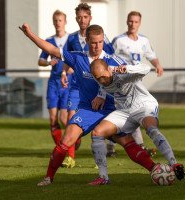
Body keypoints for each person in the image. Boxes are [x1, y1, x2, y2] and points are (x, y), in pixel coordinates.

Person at [20, 23, 154, 186]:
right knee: (66, 140)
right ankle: (49, 177)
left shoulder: (114, 61)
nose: (97, 46)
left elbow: (130, 79)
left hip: (111, 111)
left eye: (100, 42)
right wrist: (30, 34)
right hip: (87, 111)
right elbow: (51, 50)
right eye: (93, 42)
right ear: (86, 40)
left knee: (126, 142)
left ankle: (155, 169)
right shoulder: (78, 58)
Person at [89, 59, 185, 184]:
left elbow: (145, 68)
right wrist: (100, 96)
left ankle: (174, 163)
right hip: (124, 111)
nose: (102, 80)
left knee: (151, 129)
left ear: (109, 69)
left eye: (103, 76)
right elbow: (102, 86)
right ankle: (103, 178)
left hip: (143, 105)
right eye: (97, 78)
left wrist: (126, 68)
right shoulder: (101, 79)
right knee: (97, 133)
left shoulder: (121, 72)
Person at [61, 3, 115, 168]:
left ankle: (99, 157)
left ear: (90, 18)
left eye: (85, 17)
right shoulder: (71, 38)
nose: (82, 20)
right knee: (67, 119)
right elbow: (67, 58)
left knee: (99, 123)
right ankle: (70, 155)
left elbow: (109, 59)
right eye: (79, 17)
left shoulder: (100, 36)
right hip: (77, 85)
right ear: (76, 19)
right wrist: (64, 72)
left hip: (97, 86)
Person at [107, 11, 164, 157]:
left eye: (136, 22)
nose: (133, 24)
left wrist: (158, 65)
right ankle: (120, 146)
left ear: (140, 23)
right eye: (130, 21)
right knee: (127, 113)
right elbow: (107, 57)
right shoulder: (119, 40)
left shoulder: (143, 41)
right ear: (127, 22)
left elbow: (152, 56)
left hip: (136, 84)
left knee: (131, 112)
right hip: (121, 84)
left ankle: (130, 146)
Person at [38, 10, 70, 148]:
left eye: (60, 20)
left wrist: (69, 71)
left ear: (65, 22)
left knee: (64, 118)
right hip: (53, 82)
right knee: (52, 118)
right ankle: (60, 150)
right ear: (53, 22)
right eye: (55, 20)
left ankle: (72, 141)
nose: (58, 23)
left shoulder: (71, 40)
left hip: (68, 81)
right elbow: (40, 60)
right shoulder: (49, 41)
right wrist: (48, 63)